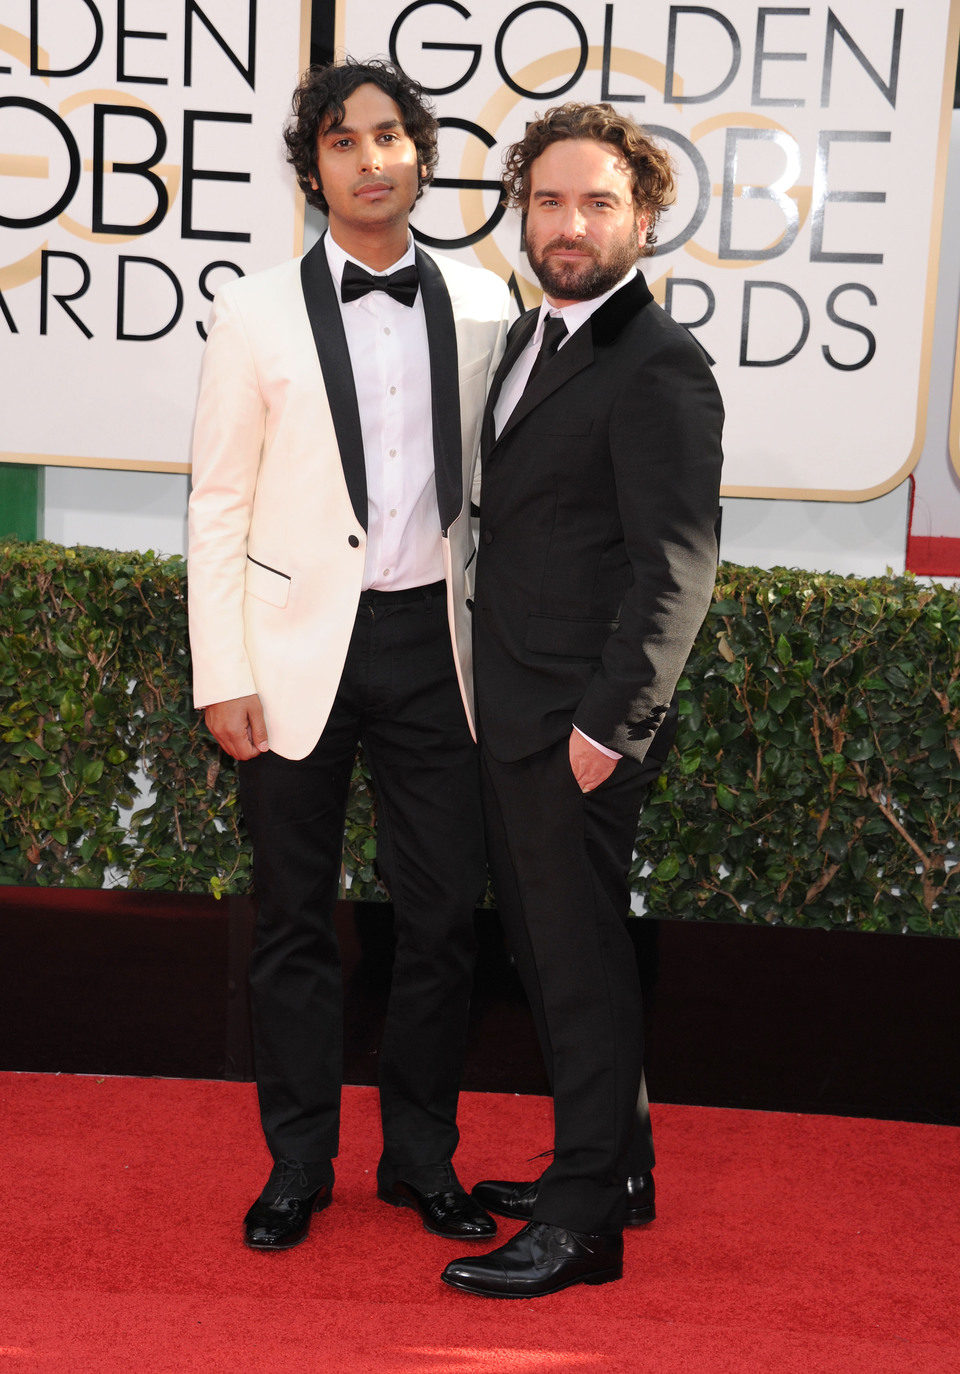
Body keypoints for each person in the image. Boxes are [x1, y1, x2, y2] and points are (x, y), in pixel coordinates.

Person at [188, 58, 510, 1251]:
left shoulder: (486, 304)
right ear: (312, 168)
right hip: (287, 655)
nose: (371, 159)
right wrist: (222, 669)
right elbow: (219, 500)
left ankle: (422, 1160)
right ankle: (298, 1167)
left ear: (421, 156)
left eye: (391, 136)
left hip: (442, 647)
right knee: (291, 922)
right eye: (343, 141)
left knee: (440, 923)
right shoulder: (256, 309)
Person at [441, 102, 724, 1298]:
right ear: (523, 211)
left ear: (644, 218)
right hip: (511, 706)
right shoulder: (528, 339)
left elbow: (677, 566)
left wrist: (612, 727)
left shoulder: (660, 366)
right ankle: (618, 1171)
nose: (570, 224)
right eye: (550, 200)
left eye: (598, 202)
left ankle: (582, 1228)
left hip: (577, 728)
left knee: (574, 966)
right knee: (569, 952)